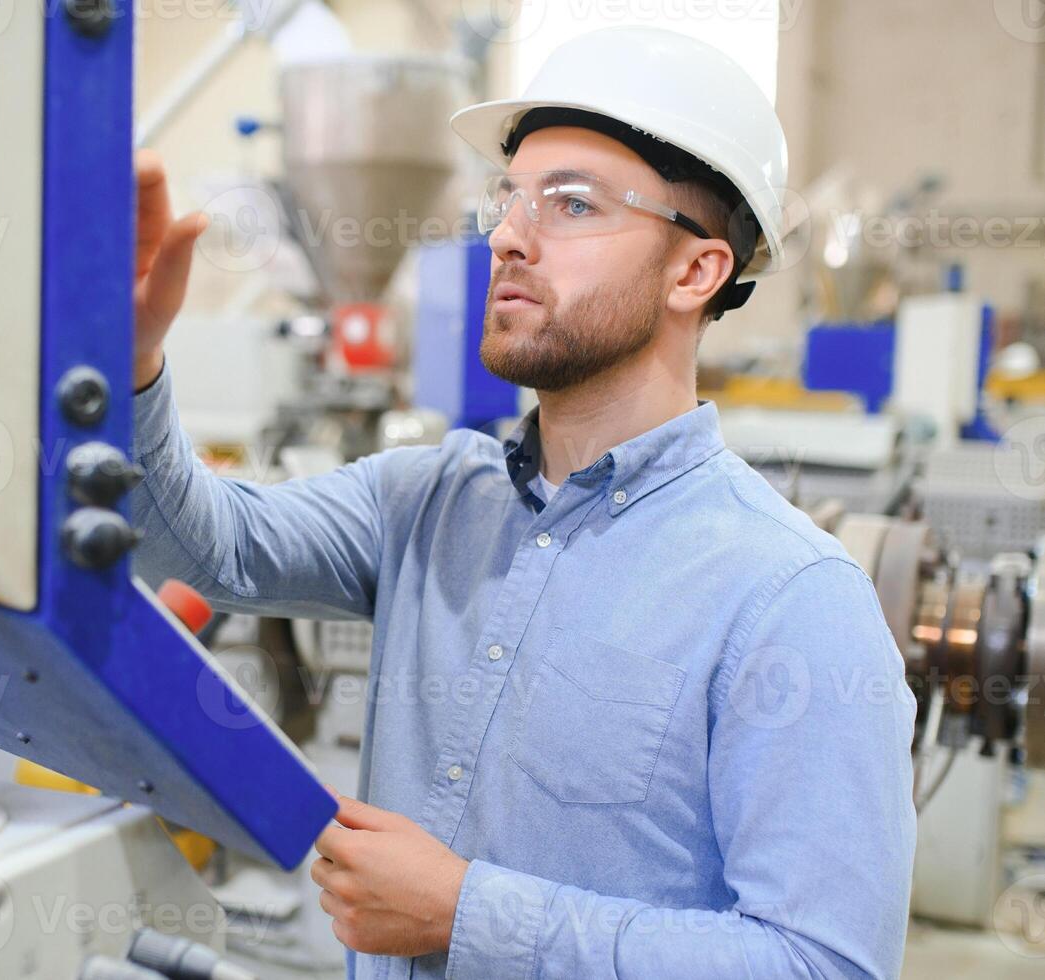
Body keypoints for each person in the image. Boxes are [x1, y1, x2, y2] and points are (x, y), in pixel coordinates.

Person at [129, 26, 916, 980]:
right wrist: (130, 370)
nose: (506, 234)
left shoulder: (789, 598)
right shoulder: (423, 500)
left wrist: (465, 912)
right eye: (508, 198)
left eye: (572, 204)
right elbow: (210, 550)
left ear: (695, 271)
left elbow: (823, 964)